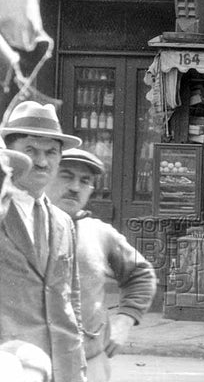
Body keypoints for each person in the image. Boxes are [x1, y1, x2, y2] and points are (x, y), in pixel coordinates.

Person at [46, 148, 156, 382]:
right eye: (66, 175)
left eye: (84, 181)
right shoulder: (17, 226)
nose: (75, 187)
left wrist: (124, 321)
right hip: (31, 362)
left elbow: (141, 274)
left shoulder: (99, 233)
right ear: (47, 175)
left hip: (89, 360)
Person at [0, 100, 86, 382]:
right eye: (30, 151)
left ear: (61, 158)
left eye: (51, 152)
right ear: (9, 155)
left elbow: (71, 302)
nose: (41, 161)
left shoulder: (63, 222)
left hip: (62, 366)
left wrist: (78, 369)